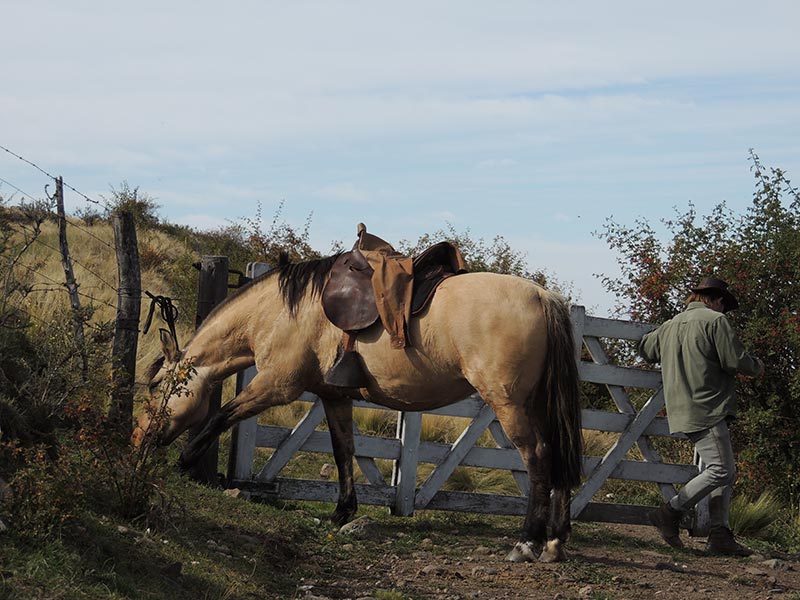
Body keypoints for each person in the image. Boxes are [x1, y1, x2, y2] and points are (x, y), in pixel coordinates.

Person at [639, 277, 764, 556]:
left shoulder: (670, 325)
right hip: (707, 406)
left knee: (720, 471)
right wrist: (757, 366)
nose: (723, 310)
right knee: (723, 470)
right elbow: (734, 360)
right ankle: (669, 512)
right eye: (723, 304)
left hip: (680, 407)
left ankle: (720, 534)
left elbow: (646, 349)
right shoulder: (715, 322)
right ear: (717, 300)